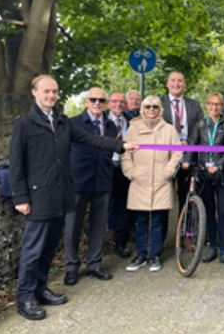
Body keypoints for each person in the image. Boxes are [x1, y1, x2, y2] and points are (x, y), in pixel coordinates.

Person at [9, 75, 135, 321]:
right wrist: (20, 197)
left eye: (54, 91)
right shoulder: (24, 124)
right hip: (37, 196)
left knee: (47, 249)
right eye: (46, 91)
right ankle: (25, 297)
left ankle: (40, 288)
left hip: (61, 195)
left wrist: (120, 146)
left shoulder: (63, 122)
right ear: (34, 92)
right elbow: (16, 163)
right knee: (32, 250)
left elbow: (89, 139)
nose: (51, 96)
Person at [63, 87, 120, 286]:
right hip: (78, 182)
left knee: (98, 225)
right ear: (86, 102)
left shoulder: (111, 126)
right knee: (73, 226)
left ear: (106, 104)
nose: (97, 103)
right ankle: (71, 267)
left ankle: (94, 264)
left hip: (103, 180)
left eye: (101, 100)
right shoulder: (73, 124)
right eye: (93, 99)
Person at [121, 96, 182, 273]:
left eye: (155, 107)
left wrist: (168, 171)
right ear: (142, 109)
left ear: (160, 109)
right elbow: (125, 153)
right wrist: (131, 172)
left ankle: (154, 255)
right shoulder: (134, 129)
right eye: (147, 106)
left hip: (161, 181)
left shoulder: (169, 130)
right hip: (140, 181)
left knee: (157, 220)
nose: (151, 110)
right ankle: (141, 254)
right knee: (140, 221)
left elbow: (177, 153)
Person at [184, 94, 224, 265]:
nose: (214, 107)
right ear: (207, 105)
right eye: (211, 104)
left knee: (223, 212)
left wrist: (220, 165)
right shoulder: (201, 124)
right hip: (204, 174)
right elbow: (192, 144)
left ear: (223, 106)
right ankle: (212, 247)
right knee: (208, 211)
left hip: (223, 175)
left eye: (218, 105)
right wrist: (187, 160)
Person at [162, 71, 205, 212]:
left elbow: (201, 129)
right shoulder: (158, 104)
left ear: (185, 84)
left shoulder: (194, 105)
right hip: (165, 156)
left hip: (188, 155)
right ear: (167, 84)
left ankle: (185, 230)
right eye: (173, 80)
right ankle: (161, 233)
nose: (176, 84)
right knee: (163, 196)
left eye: (180, 81)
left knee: (186, 194)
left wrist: (189, 142)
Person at [107, 92, 133, 258]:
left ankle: (121, 242)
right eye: (115, 101)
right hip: (106, 167)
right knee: (103, 206)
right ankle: (102, 241)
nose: (118, 104)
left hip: (124, 167)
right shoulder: (102, 120)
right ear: (109, 103)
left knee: (123, 206)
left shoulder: (131, 121)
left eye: (122, 102)